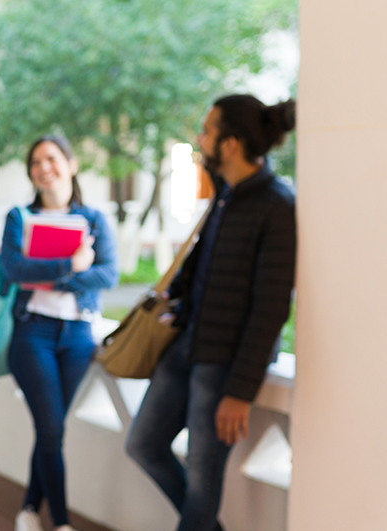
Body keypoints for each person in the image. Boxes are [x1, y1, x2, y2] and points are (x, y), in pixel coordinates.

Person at [124, 95, 297, 531]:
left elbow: (272, 307)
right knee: (143, 444)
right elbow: (203, 264)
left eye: (207, 131)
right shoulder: (226, 195)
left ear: (232, 143)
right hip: (186, 343)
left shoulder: (277, 205)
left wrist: (240, 391)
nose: (200, 140)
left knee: (203, 483)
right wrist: (178, 304)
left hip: (225, 365)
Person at [0, 134, 119, 531]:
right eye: (35, 162)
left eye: (51, 158)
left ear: (71, 164)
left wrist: (58, 277)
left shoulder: (94, 219)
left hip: (79, 337)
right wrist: (69, 265)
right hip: (34, 334)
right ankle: (63, 523)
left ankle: (30, 508)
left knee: (52, 430)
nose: (43, 167)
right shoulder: (20, 217)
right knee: (50, 428)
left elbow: (108, 274)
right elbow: (14, 269)